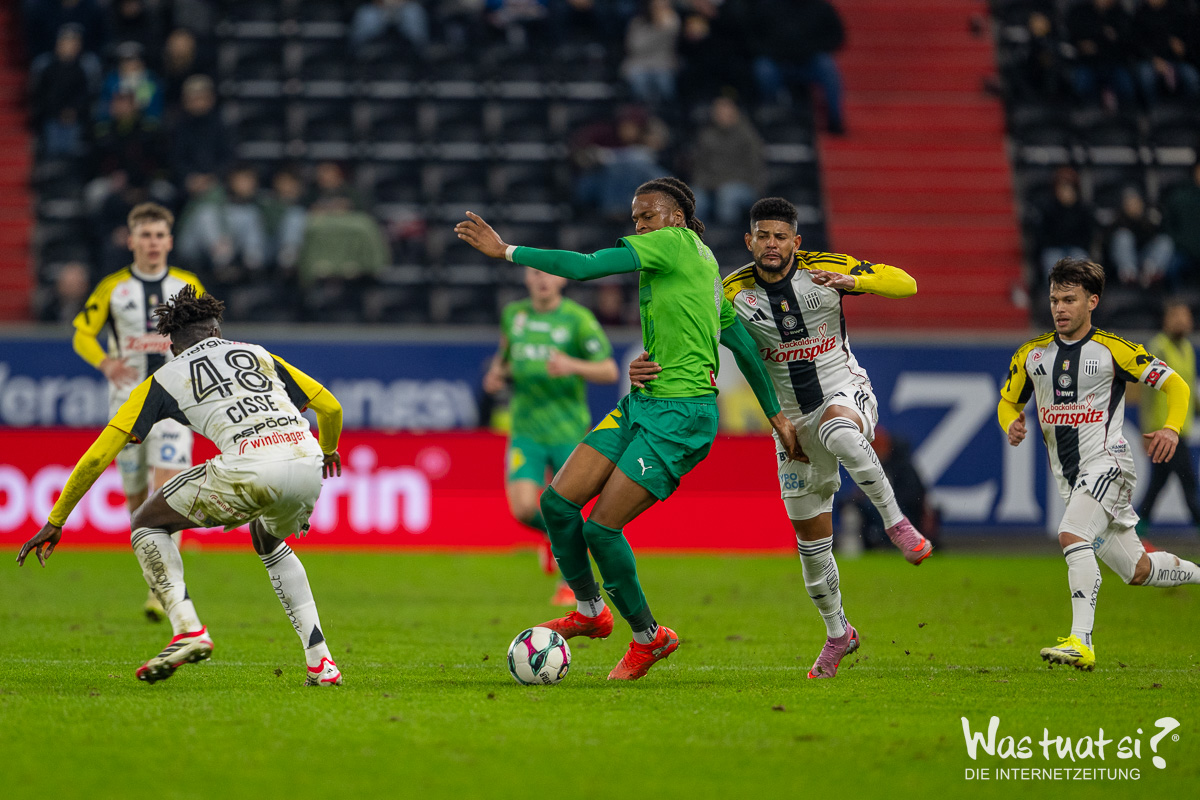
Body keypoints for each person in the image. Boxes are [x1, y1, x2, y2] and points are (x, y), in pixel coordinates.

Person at [455, 177, 801, 680]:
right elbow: (741, 343)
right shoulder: (701, 263)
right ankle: (591, 612)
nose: (638, 225)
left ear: (676, 218)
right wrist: (775, 415)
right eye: (635, 218)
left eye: (647, 216)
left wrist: (506, 250)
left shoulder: (673, 243)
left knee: (600, 529)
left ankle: (649, 637)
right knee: (557, 504)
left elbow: (585, 266)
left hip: (681, 417)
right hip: (644, 402)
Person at [628, 197, 933, 680]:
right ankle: (838, 634)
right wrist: (645, 364)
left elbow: (907, 283)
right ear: (749, 241)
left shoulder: (826, 267)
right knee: (812, 548)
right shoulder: (732, 291)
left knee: (840, 432)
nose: (772, 244)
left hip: (842, 390)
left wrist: (855, 282)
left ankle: (897, 523)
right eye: (763, 236)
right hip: (789, 422)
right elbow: (689, 333)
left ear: (796, 241)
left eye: (781, 236)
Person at [19, 287, 346, 687]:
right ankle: (321, 663)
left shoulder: (164, 378)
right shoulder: (259, 354)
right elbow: (331, 407)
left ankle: (187, 628)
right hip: (306, 460)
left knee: (147, 522)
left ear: (172, 347)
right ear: (217, 330)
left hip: (251, 465)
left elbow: (96, 457)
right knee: (267, 538)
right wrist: (328, 450)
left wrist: (56, 519)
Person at [998, 257, 1200, 671]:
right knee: (1138, 570)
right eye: (1055, 300)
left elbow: (1177, 386)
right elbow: (1007, 401)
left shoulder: (1114, 350)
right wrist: (1011, 423)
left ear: (1092, 301)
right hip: (1072, 479)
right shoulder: (1032, 355)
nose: (1059, 308)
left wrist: (1172, 428)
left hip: (1109, 465)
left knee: (1071, 534)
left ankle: (1081, 641)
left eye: (1069, 299)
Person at [73, 202, 204, 621]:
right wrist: (106, 363)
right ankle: (156, 576)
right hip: (127, 405)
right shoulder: (113, 288)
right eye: (145, 235)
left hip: (175, 405)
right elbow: (81, 333)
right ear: (131, 241)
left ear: (170, 241)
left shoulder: (187, 285)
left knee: (167, 492)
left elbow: (208, 335)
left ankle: (165, 591)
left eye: (159, 235)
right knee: (136, 502)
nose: (153, 243)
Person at [483, 267, 619, 604]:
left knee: (566, 509)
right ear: (527, 279)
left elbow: (609, 370)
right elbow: (505, 357)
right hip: (526, 430)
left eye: (549, 273)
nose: (543, 279)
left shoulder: (578, 320)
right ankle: (553, 537)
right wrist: (496, 374)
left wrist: (573, 365)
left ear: (562, 279)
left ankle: (570, 584)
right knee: (523, 508)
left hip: (567, 431)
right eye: (535, 273)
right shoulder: (514, 316)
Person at [1137, 301, 1200, 535]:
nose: (1183, 322)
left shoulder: (1187, 348)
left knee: (1158, 483)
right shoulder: (1159, 348)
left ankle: (1137, 528)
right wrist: (1145, 429)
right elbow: (1147, 393)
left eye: (1186, 317)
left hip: (1180, 428)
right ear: (1167, 320)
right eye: (1177, 317)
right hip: (1163, 429)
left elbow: (1188, 388)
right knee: (1188, 480)